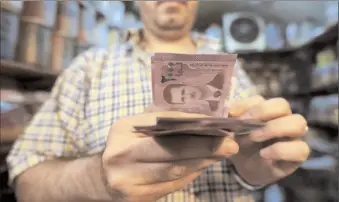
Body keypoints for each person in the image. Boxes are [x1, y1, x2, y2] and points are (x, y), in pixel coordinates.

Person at [7, 1, 310, 202]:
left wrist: (254, 170)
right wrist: (97, 177)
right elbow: (26, 182)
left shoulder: (232, 67)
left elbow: (252, 167)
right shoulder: (89, 67)